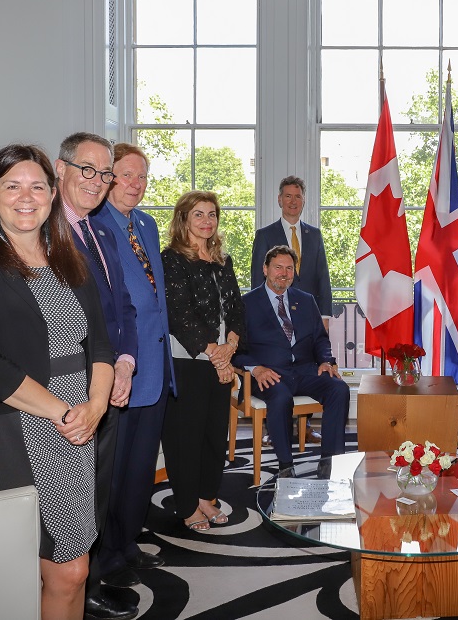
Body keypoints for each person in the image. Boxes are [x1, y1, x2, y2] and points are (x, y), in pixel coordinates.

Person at [0, 144, 115, 620]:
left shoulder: (67, 258)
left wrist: (95, 406)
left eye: (37, 186)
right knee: (55, 568)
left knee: (74, 568)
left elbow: (98, 343)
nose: (26, 196)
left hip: (78, 423)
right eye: (12, 186)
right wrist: (65, 413)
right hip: (15, 427)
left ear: (53, 195)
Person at [55, 132, 140, 620]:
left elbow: (121, 305)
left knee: (99, 485)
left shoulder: (101, 232)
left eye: (104, 172)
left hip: (107, 377)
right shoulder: (45, 234)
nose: (98, 181)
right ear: (61, 168)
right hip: (71, 387)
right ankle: (73, 589)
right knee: (76, 494)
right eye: (87, 169)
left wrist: (124, 363)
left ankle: (91, 580)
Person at [92, 143, 176, 591]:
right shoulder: (92, 226)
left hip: (155, 369)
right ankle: (103, 558)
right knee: (114, 470)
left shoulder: (145, 223)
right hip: (120, 373)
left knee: (142, 468)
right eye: (125, 176)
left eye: (142, 177)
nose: (135, 185)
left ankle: (127, 544)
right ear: (107, 179)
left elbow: (156, 299)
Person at [161, 191, 245, 530]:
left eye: (212, 214)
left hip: (221, 358)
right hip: (189, 360)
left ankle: (206, 498)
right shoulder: (172, 259)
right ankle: (186, 506)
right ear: (184, 219)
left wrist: (232, 344)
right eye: (198, 214)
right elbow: (180, 315)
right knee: (187, 437)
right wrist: (219, 357)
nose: (207, 221)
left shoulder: (222, 259)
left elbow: (237, 307)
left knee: (214, 435)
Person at [234, 245, 350, 470]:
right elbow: (235, 349)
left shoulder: (306, 300)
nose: (284, 273)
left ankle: (329, 461)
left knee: (339, 389)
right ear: (265, 269)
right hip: (269, 374)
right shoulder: (245, 303)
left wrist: (327, 361)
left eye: (289, 268)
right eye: (278, 267)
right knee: (280, 399)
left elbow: (320, 338)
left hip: (306, 370)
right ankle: (286, 466)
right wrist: (255, 368)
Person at [250, 176, 332, 445]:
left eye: (298, 196)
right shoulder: (264, 234)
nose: (293, 201)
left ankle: (304, 429)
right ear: (279, 200)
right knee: (281, 368)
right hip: (273, 315)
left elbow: (323, 278)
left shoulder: (315, 234)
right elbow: (256, 280)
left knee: (305, 365)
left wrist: (324, 316)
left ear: (303, 200)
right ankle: (278, 428)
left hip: (306, 317)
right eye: (288, 196)